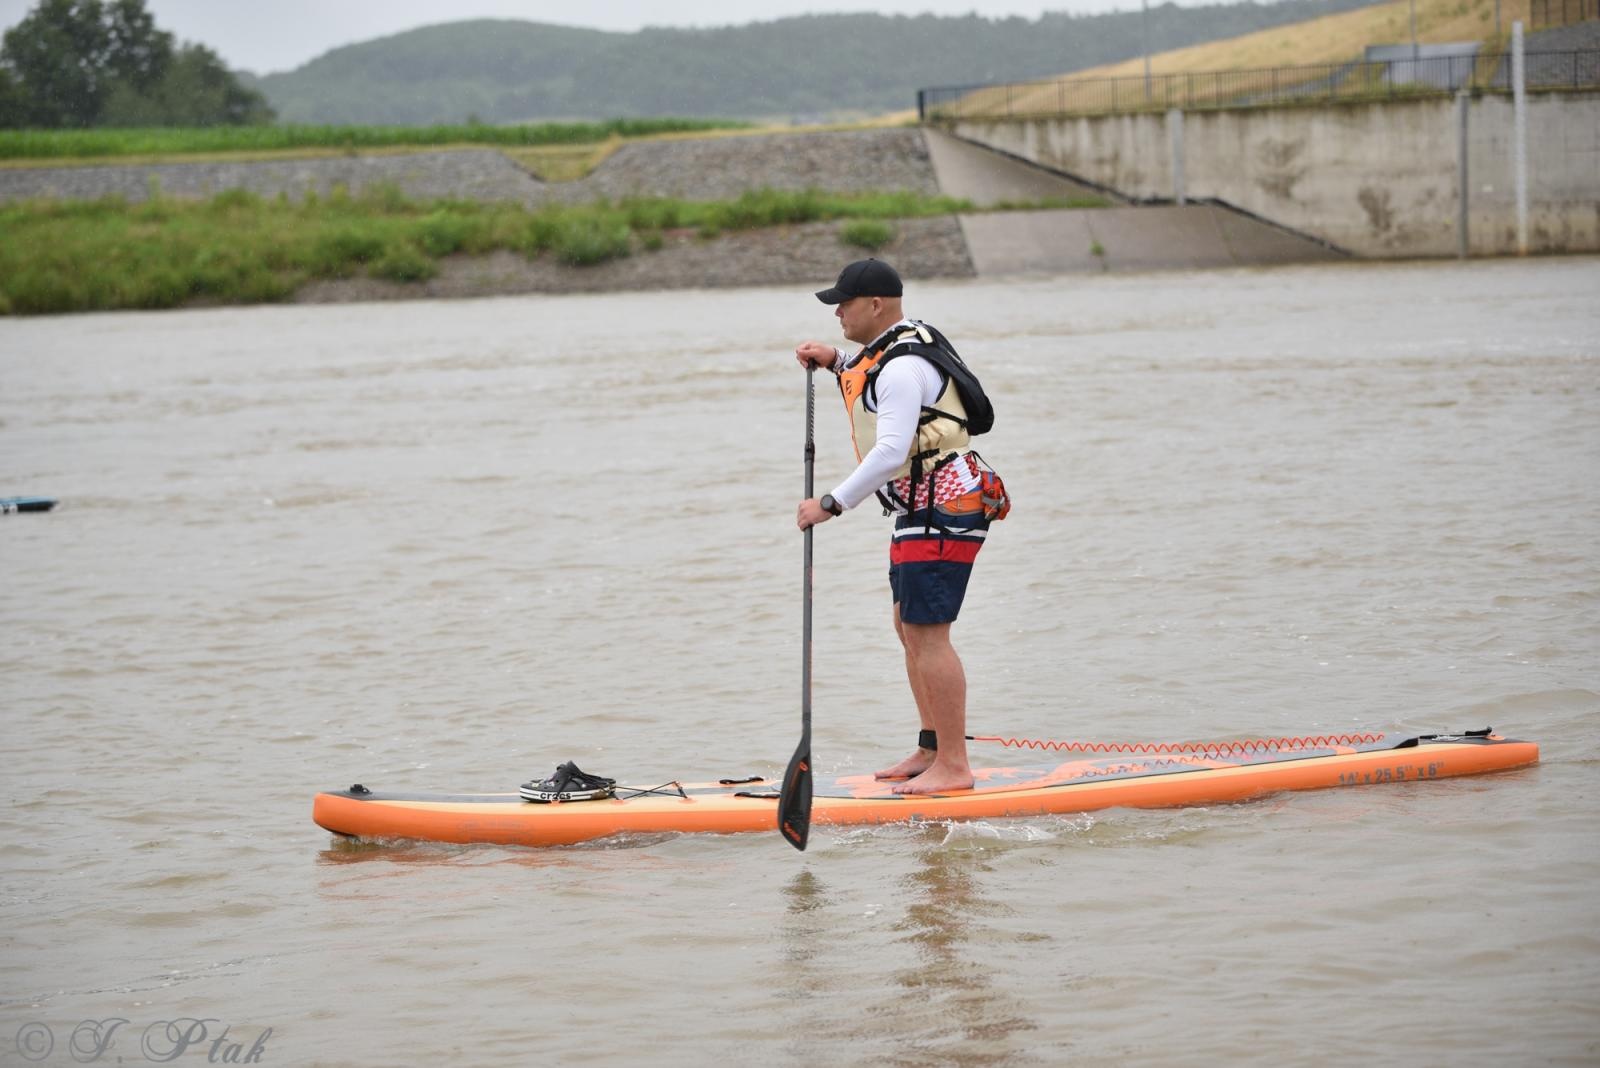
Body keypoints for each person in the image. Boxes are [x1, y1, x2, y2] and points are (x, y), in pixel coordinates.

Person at [793, 258, 1005, 796]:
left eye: (843, 303)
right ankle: (931, 749)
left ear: (876, 305)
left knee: (929, 635)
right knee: (906, 626)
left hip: (946, 503)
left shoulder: (903, 368)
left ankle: (954, 767)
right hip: (922, 504)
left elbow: (890, 451)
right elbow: (868, 367)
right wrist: (835, 358)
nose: (837, 311)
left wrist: (831, 503)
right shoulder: (893, 347)